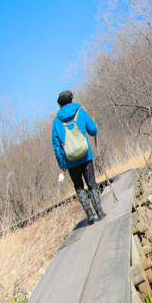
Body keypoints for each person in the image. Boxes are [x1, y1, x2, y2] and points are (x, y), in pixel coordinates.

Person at [51, 90, 105, 225]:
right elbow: (93, 130)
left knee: (79, 187)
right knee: (92, 183)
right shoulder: (80, 112)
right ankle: (100, 212)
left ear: (60, 105)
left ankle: (89, 215)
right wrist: (94, 128)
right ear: (71, 100)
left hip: (70, 161)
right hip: (86, 156)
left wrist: (62, 165)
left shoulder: (57, 122)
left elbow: (56, 146)